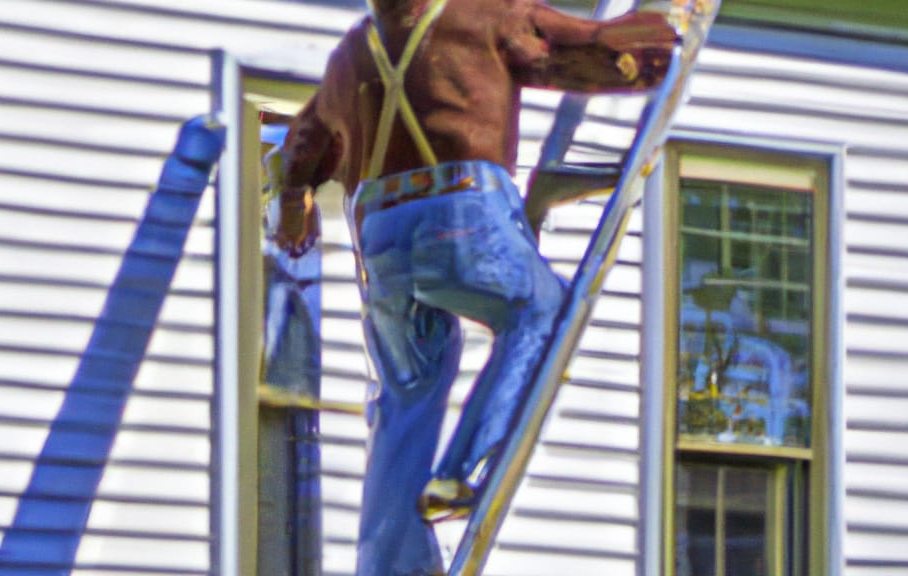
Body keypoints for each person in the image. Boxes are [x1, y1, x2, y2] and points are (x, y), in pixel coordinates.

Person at [267, 0, 677, 573]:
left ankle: (390, 565)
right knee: (544, 311)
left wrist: (295, 205)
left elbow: (302, 148)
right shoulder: (485, 15)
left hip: (380, 237)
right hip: (458, 210)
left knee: (405, 398)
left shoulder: (351, 53)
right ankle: (462, 469)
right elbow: (574, 48)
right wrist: (646, 48)